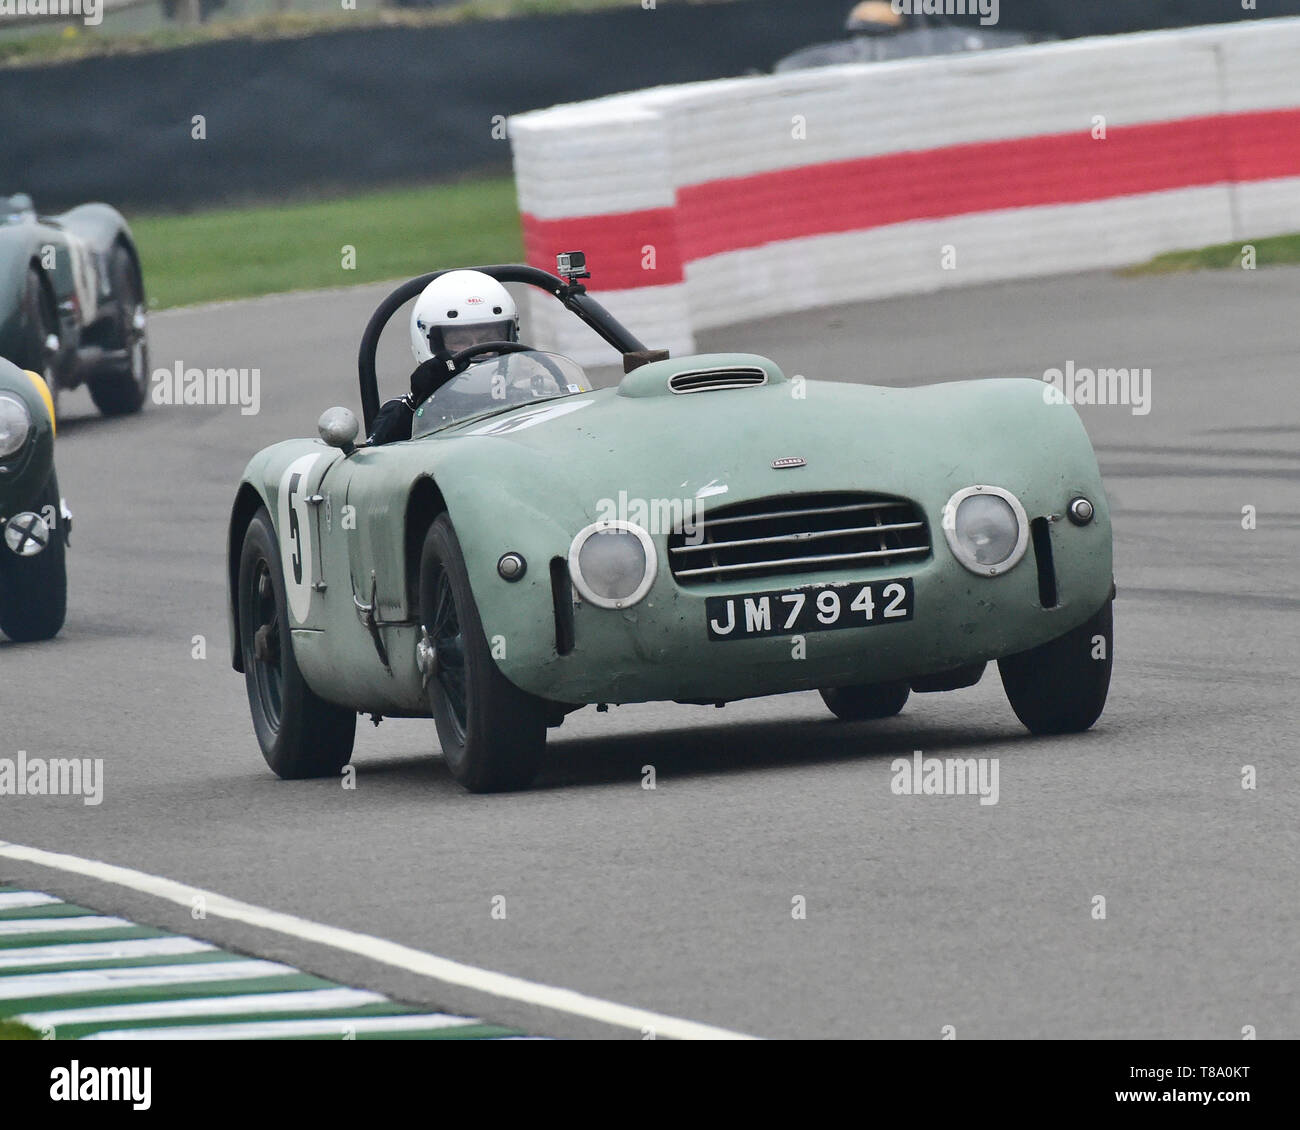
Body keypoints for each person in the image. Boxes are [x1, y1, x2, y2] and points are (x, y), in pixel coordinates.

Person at [368, 270, 520, 446]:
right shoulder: (407, 409)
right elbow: (376, 453)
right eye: (460, 341)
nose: (477, 349)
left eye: (488, 339)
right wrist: (416, 402)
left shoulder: (533, 396)